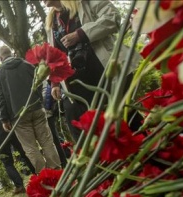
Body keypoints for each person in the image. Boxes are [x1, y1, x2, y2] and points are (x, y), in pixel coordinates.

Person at [44, 0, 141, 140]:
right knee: (104, 131)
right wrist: (55, 83)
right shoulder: (52, 22)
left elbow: (112, 17)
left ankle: (150, 155)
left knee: (127, 119)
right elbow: (55, 55)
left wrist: (80, 34)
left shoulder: (85, 2)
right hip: (81, 86)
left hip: (106, 72)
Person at [0, 46, 62, 174]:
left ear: (0, 58)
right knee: (47, 141)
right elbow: (39, 82)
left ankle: (44, 176)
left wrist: (4, 119)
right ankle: (57, 171)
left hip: (18, 115)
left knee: (30, 148)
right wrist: (39, 100)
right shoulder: (27, 65)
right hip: (36, 108)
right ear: (12, 53)